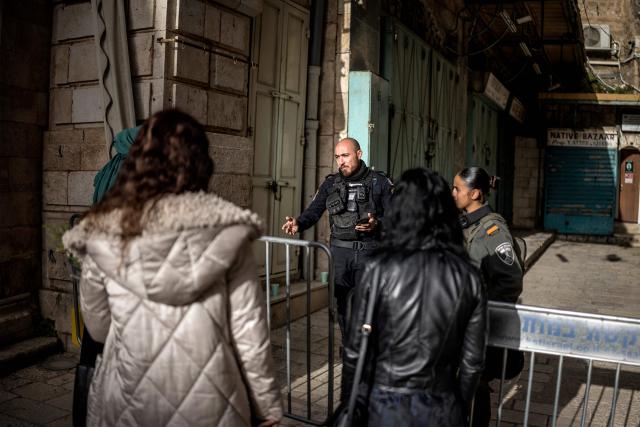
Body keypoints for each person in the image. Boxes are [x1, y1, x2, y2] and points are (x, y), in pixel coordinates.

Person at [63, 110, 282, 427]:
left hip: (127, 398)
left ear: (138, 160)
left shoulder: (103, 233)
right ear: (201, 163)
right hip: (212, 403)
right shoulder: (226, 231)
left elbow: (97, 328)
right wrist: (268, 409)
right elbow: (250, 336)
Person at [341, 168, 487, 426]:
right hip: (441, 404)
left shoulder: (378, 269)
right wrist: (458, 406)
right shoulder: (469, 277)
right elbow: (472, 363)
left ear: (399, 212)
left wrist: (348, 407)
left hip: (384, 404)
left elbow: (354, 353)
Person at [281, 138, 392, 333]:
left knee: (370, 306)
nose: (341, 161)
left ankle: (367, 352)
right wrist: (298, 223)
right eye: (337, 157)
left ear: (359, 154)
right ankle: (349, 347)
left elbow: (397, 217)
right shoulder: (331, 183)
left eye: (345, 155)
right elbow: (314, 211)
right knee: (342, 306)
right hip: (340, 254)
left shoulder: (380, 182)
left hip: (370, 254)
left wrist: (378, 223)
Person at [452, 166, 524, 427]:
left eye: (457, 188)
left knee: (476, 388)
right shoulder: (465, 225)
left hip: (481, 325)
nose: (453, 193)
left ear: (475, 194)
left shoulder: (493, 230)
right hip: (462, 323)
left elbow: (511, 280)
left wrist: (480, 305)